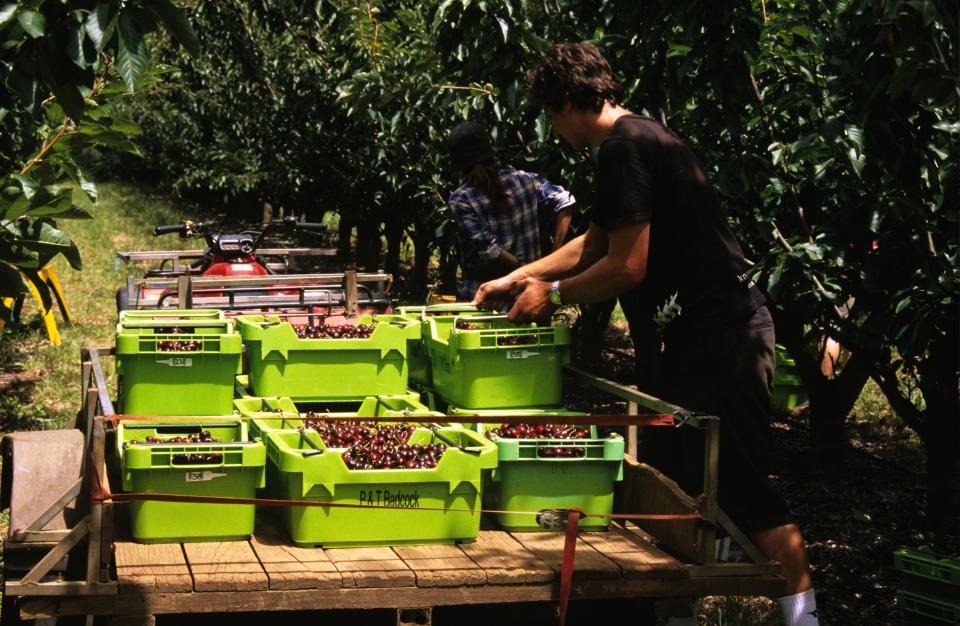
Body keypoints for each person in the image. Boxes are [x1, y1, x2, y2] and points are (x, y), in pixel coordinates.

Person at [473, 43, 819, 626]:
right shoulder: (642, 138)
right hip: (693, 335)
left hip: (723, 335)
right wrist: (518, 275)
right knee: (675, 479)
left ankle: (802, 613)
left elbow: (626, 267)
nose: (555, 132)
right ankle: (677, 607)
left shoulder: (625, 148)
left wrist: (552, 296)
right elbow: (596, 240)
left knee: (736, 483)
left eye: (551, 117)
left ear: (566, 102)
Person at [445, 122, 575, 302]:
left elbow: (489, 249)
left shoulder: (462, 198)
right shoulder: (525, 180)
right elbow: (566, 200)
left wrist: (521, 269)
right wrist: (552, 260)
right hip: (530, 292)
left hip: (486, 295)